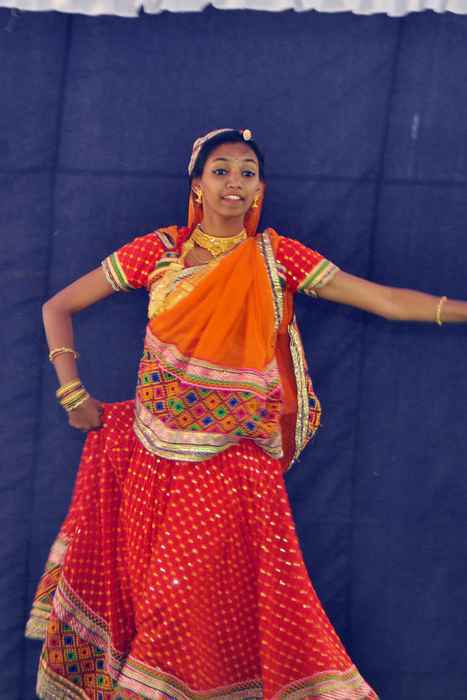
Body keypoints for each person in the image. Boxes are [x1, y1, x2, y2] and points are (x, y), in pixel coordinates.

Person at [26, 127, 467, 700]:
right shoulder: (159, 252)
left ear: (260, 189)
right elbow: (57, 306)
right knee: (154, 607)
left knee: (178, 610)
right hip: (150, 464)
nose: (234, 181)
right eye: (221, 170)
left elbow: (382, 300)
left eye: (247, 172)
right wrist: (72, 394)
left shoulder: (277, 258)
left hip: (233, 471)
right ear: (197, 185)